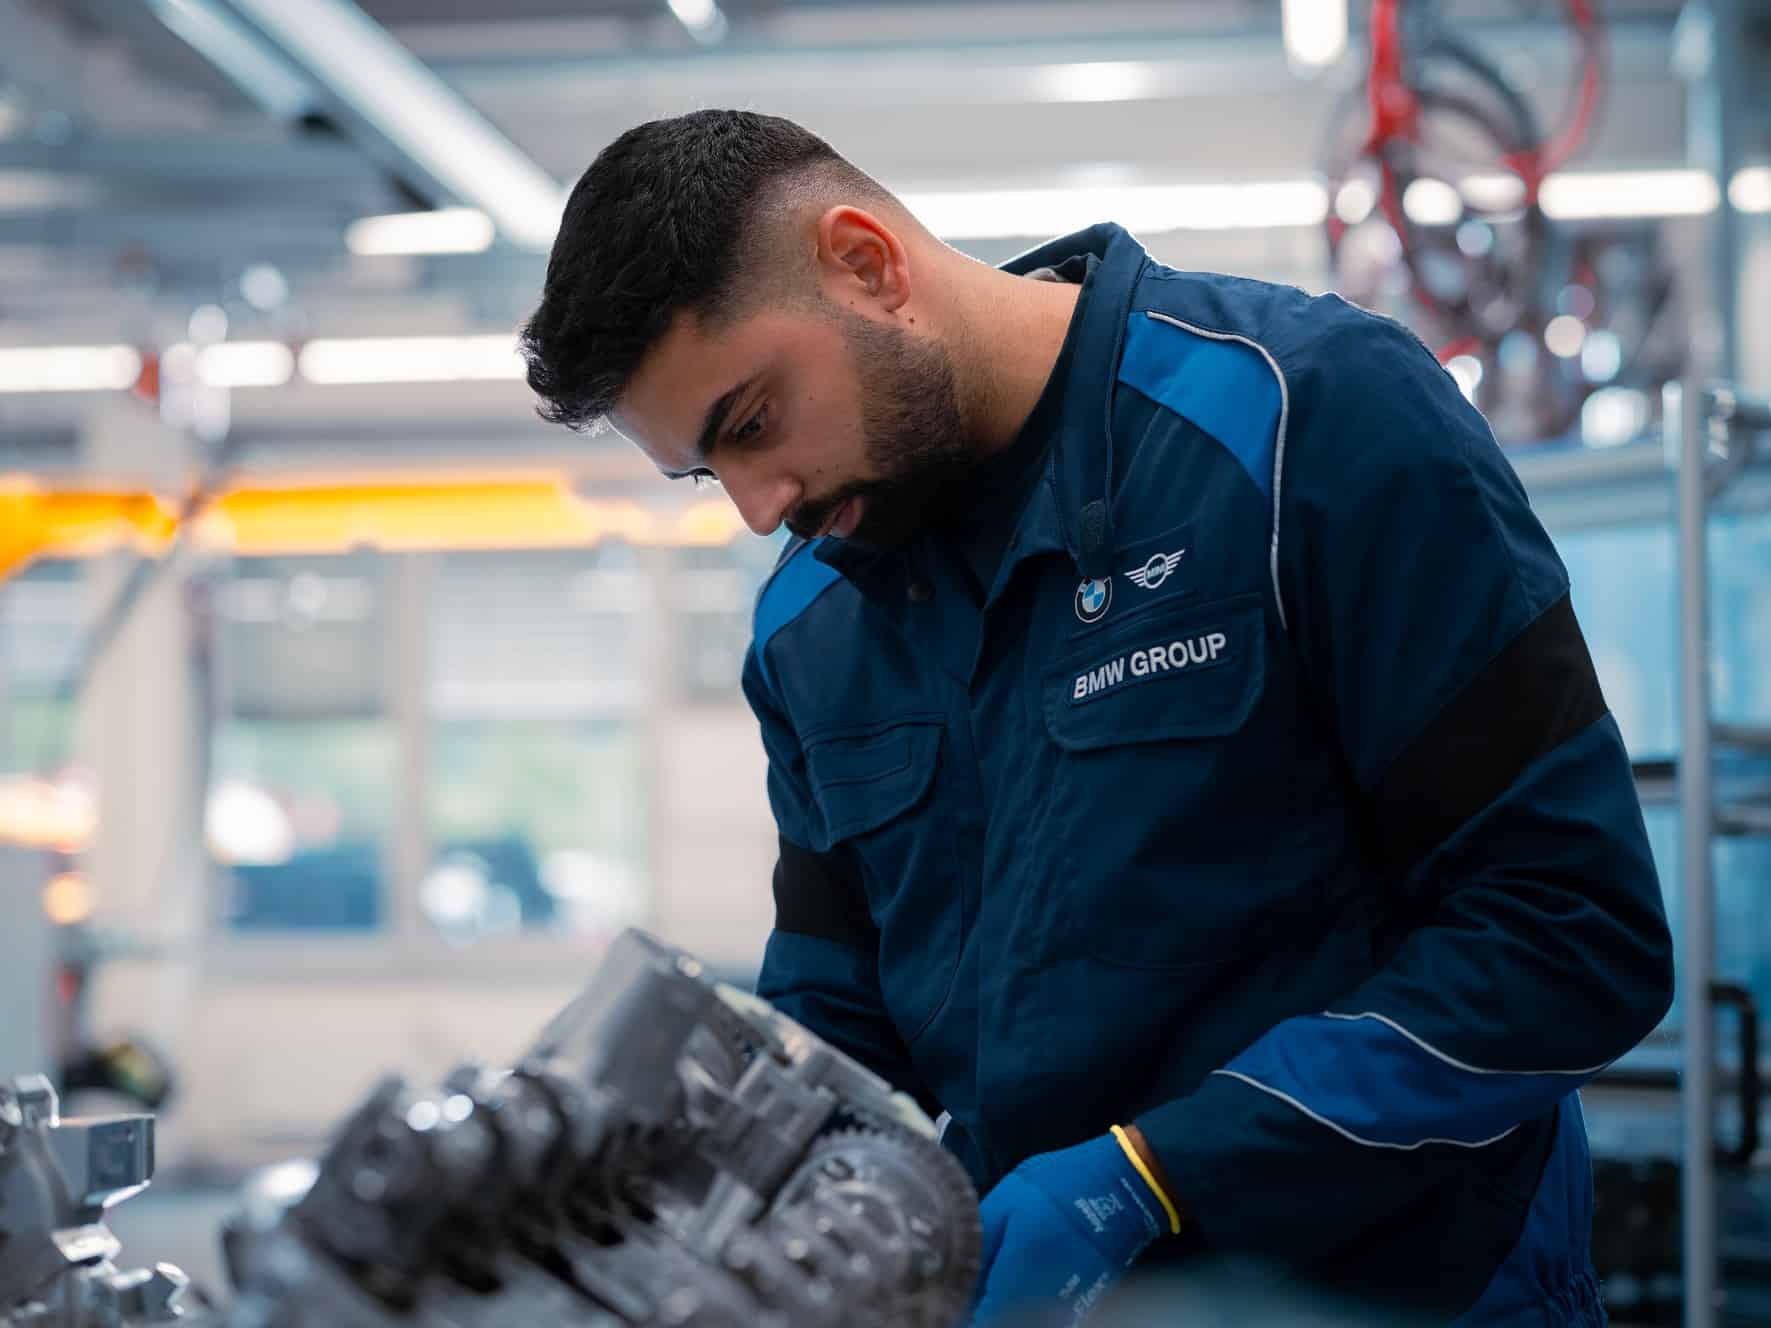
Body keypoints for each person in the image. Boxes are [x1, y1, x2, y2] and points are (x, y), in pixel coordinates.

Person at [519, 109, 1674, 1326]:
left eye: (752, 421)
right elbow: (839, 1024)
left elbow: (1567, 931)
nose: (759, 509)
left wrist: (1155, 1177)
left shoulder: (1303, 418)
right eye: (708, 471)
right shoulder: (809, 621)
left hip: (1409, 1292)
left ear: (866, 263)